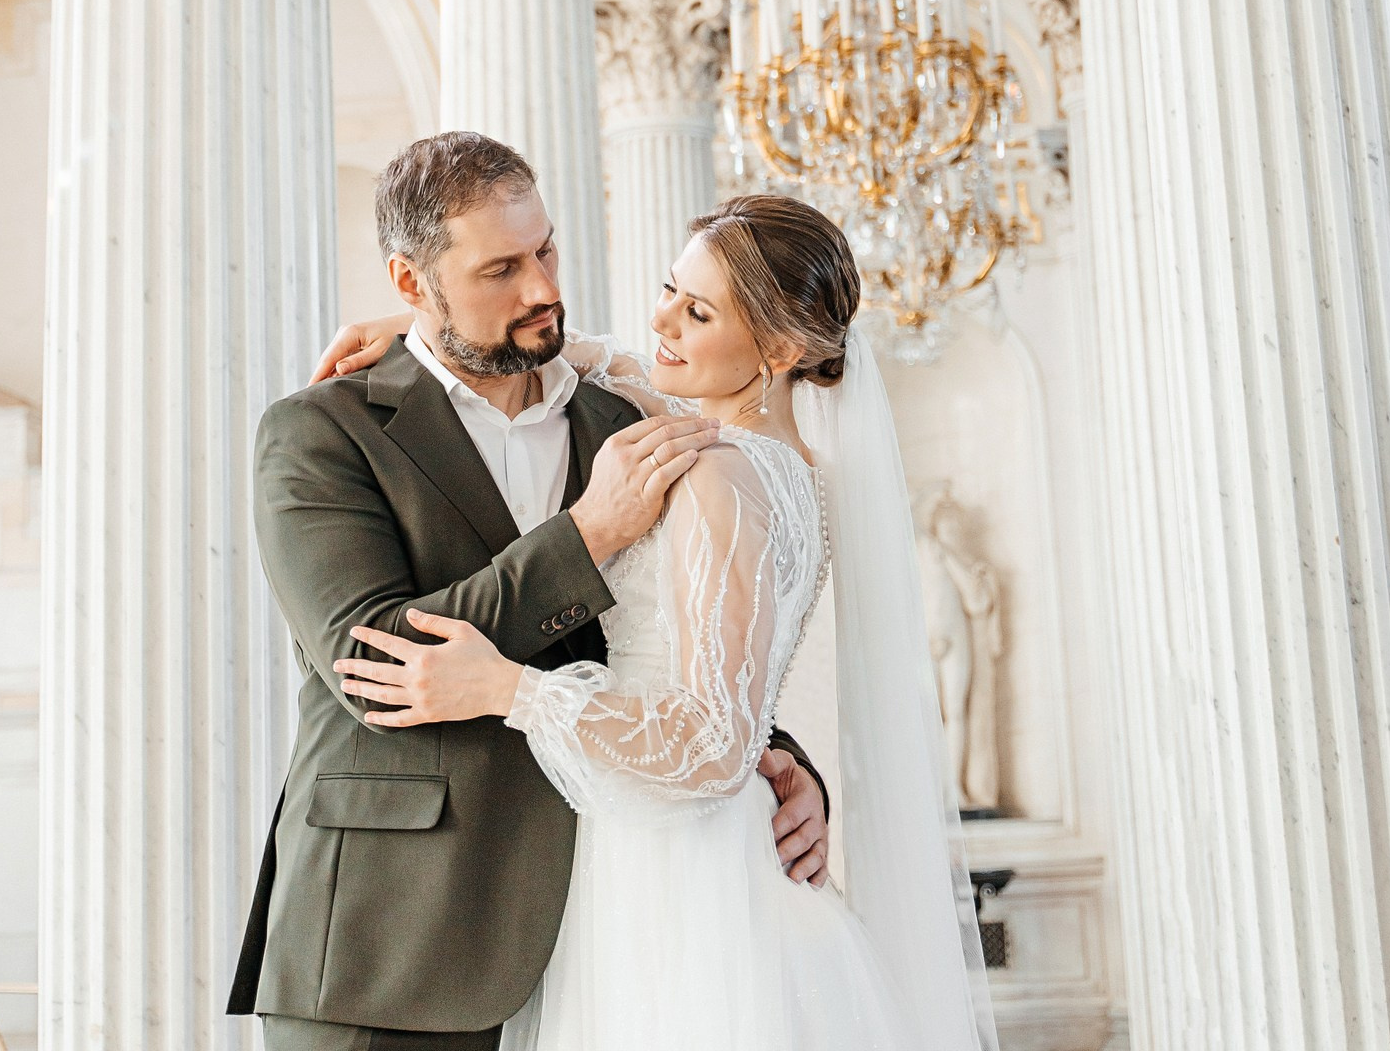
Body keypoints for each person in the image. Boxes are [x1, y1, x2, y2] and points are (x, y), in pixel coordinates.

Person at [323, 188, 998, 1051]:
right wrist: (422, 322)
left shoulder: (718, 472)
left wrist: (511, 689)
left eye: (698, 310)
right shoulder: (771, 460)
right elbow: (608, 360)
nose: (663, 320)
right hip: (685, 845)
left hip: (674, 871)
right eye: (670, 289)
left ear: (782, 348)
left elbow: (715, 742)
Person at [227, 131, 831, 1051]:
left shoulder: (631, 419)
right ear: (410, 283)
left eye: (545, 249)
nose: (543, 288)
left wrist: (774, 755)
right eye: (500, 269)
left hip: (608, 935)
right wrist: (590, 534)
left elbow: (678, 632)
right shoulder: (322, 432)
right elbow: (371, 659)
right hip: (393, 945)